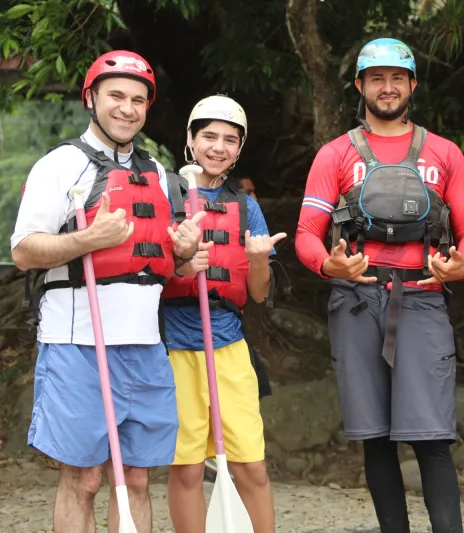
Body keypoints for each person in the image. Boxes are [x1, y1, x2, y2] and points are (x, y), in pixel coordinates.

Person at [295, 37, 464, 533]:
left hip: (421, 298)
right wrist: (327, 267)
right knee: (375, 437)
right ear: (360, 85)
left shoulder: (443, 153)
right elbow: (306, 236)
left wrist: (461, 266)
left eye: (396, 77)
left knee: (431, 437)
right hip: (357, 300)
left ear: (412, 85)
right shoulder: (336, 155)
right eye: (376, 78)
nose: (387, 87)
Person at [10, 50, 203, 533]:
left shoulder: (158, 173)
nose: (128, 108)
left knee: (137, 478)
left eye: (139, 100)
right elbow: (24, 251)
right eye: (116, 95)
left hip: (143, 344)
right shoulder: (59, 165)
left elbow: (161, 262)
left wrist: (181, 251)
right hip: (76, 343)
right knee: (84, 479)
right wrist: (88, 240)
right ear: (91, 99)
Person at [160, 95, 285, 533]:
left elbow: (256, 291)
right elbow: (146, 273)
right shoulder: (165, 193)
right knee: (188, 470)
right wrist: (178, 263)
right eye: (208, 136)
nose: (218, 147)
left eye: (229, 139)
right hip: (175, 349)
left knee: (251, 467)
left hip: (229, 346)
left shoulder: (247, 207)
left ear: (239, 148)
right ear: (191, 142)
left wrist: (256, 258)